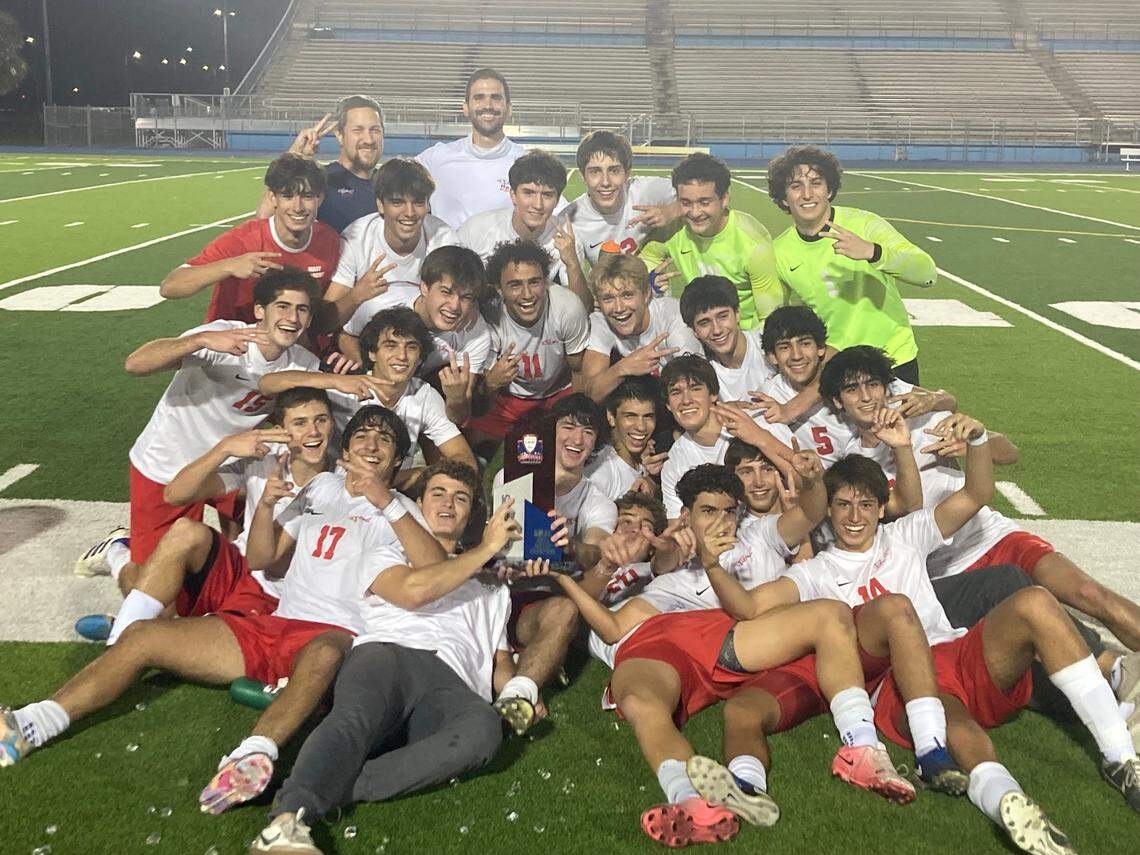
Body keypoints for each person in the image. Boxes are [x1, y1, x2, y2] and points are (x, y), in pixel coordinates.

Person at [706, 437, 1140, 844]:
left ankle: (1119, 759)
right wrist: (711, 563)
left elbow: (976, 493)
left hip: (957, 650)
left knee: (1035, 601)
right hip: (903, 683)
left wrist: (976, 440)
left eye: (865, 505)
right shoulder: (814, 572)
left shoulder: (906, 535)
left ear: (881, 510)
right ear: (830, 512)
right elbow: (748, 606)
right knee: (957, 724)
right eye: (842, 506)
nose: (854, 516)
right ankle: (1003, 796)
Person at [0, 407, 446, 795]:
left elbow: (434, 566)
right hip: (276, 621)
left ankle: (253, 755)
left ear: (398, 459)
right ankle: (35, 722)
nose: (371, 445)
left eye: (384, 440)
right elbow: (261, 559)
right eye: (362, 436)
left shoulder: (404, 508)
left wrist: (386, 501)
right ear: (344, 451)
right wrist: (269, 507)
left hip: (333, 636)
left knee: (329, 651)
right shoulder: (322, 486)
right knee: (140, 636)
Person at [528, 463, 925, 846]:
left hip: (724, 637)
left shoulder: (758, 537)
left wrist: (811, 480)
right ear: (684, 516)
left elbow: (810, 510)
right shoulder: (660, 574)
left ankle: (860, 747)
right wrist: (575, 574)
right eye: (707, 512)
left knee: (830, 614)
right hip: (660, 644)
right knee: (640, 703)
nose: (721, 521)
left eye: (728, 512)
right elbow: (620, 616)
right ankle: (692, 804)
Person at [247, 467, 524, 854]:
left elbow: (500, 659)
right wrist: (485, 550)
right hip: (388, 655)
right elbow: (415, 592)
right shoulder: (387, 550)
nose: (447, 503)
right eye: (438, 494)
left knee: (483, 731)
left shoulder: (492, 586)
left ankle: (334, 782)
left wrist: (520, 691)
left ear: (471, 513)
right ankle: (285, 823)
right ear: (420, 505)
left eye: (460, 497)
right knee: (355, 717)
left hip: (453, 684)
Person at [821, 345, 1140, 652]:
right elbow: (907, 506)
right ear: (838, 402)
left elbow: (1009, 452)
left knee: (1089, 593)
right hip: (948, 571)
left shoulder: (925, 421)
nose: (865, 396)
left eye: (872, 385)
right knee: (1038, 638)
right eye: (852, 389)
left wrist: (976, 447)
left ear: (885, 388)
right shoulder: (855, 466)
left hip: (992, 535)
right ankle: (1109, 673)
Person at [76, 268, 324, 597]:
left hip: (231, 465)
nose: (292, 318)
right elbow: (134, 364)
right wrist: (198, 340)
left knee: (250, 552)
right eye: (283, 306)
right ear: (259, 311)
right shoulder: (223, 336)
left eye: (301, 309)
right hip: (168, 463)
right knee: (157, 596)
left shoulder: (305, 363)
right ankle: (118, 551)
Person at [78, 388, 336, 646]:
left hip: (275, 591)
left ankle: (118, 558)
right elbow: (175, 494)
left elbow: (267, 562)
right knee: (185, 533)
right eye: (300, 423)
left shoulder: (342, 483)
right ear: (281, 430)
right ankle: (119, 641)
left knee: (192, 637)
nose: (313, 431)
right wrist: (223, 449)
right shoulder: (264, 461)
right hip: (234, 570)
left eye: (321, 420)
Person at [490, 394, 618, 734]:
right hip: (501, 593)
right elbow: (502, 543)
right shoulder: (513, 475)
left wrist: (570, 547)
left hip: (545, 598)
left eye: (588, 432)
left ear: (596, 444)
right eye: (569, 427)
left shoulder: (598, 501)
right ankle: (531, 673)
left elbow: (596, 553)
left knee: (563, 611)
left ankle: (519, 693)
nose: (577, 440)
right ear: (550, 432)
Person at [766, 145, 936, 384]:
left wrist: (872, 252)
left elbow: (927, 274)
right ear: (784, 198)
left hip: (894, 361)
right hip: (836, 367)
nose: (807, 194)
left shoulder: (865, 225)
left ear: (830, 190)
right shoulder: (779, 251)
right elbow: (778, 320)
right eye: (796, 186)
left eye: (816, 183)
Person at [261, 307, 477, 491]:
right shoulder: (345, 384)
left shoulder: (423, 395)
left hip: (389, 492)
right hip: (333, 488)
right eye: (391, 346)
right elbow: (267, 383)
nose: (401, 356)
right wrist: (333, 381)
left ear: (420, 357)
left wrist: (408, 476)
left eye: (411, 347)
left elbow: (465, 461)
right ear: (372, 353)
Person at [752, 306, 955, 464]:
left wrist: (935, 398)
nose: (797, 356)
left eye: (805, 344)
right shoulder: (770, 397)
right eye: (785, 347)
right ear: (772, 356)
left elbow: (949, 403)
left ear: (821, 348)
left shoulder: (853, 375)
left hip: (888, 473)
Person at [160, 154, 339, 324]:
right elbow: (170, 286)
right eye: (287, 196)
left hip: (291, 344)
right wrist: (229, 266)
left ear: (320, 198)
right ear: (272, 198)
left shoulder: (329, 239)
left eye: (307, 196)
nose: (298, 207)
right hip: (234, 344)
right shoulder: (244, 240)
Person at [331, 245, 491, 423]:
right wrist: (367, 368)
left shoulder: (477, 335)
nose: (454, 306)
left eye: (466, 297)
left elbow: (460, 418)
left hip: (417, 390)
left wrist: (456, 399)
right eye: (446, 292)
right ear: (424, 287)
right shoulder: (381, 301)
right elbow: (344, 335)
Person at [466, 239, 591, 449]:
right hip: (507, 398)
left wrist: (573, 417)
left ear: (546, 281)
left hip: (558, 393)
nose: (527, 295)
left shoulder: (567, 307)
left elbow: (578, 370)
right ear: (499, 288)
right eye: (515, 284)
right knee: (476, 449)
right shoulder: (488, 316)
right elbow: (477, 399)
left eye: (534, 282)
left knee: (572, 447)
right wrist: (491, 383)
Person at [639, 153, 783, 329]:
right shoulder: (672, 231)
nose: (695, 212)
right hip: (700, 329)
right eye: (686, 203)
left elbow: (770, 317)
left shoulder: (753, 244)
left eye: (704, 202)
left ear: (724, 199)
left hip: (746, 336)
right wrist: (650, 278)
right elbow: (645, 260)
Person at [323, 157, 457, 332]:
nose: (409, 213)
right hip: (366, 339)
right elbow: (324, 322)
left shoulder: (444, 240)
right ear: (380, 204)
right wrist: (356, 295)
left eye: (418, 203)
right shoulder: (356, 238)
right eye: (397, 202)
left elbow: (460, 306)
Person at [657, 354, 793, 521]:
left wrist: (760, 438)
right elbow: (677, 527)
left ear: (713, 394)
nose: (686, 400)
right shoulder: (674, 463)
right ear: (668, 405)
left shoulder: (757, 421)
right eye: (676, 392)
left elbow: (806, 478)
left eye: (695, 388)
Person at [457, 149, 590, 308]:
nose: (538, 205)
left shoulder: (565, 239)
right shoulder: (475, 230)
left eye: (547, 195)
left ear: (557, 200)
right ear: (513, 195)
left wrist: (572, 263)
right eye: (528, 193)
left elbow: (582, 310)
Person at [416, 68, 528, 229]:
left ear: (509, 108)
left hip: (508, 254)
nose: (488, 105)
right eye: (479, 97)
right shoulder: (435, 159)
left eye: (496, 98)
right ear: (465, 108)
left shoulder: (525, 161)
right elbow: (394, 185)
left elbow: (557, 212)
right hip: (449, 254)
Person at [580, 252, 700, 402]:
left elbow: (697, 389)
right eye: (608, 298)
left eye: (627, 295)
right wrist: (622, 368)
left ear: (646, 294)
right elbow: (590, 394)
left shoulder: (674, 318)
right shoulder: (601, 322)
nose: (618, 308)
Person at [256, 95, 386, 233]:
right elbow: (264, 219)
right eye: (358, 130)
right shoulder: (319, 179)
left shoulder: (389, 182)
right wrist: (295, 155)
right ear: (339, 135)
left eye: (375, 130)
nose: (369, 139)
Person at [559, 130, 680, 269]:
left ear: (627, 173)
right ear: (582, 176)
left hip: (655, 288)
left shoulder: (647, 191)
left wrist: (673, 210)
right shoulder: (571, 220)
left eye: (614, 170)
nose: (605, 182)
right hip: (608, 289)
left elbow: (706, 191)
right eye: (595, 172)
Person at [585, 376, 667, 498]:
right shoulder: (600, 472)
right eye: (630, 416)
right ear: (611, 416)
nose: (641, 427)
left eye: (648, 416)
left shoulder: (649, 463)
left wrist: (653, 480)